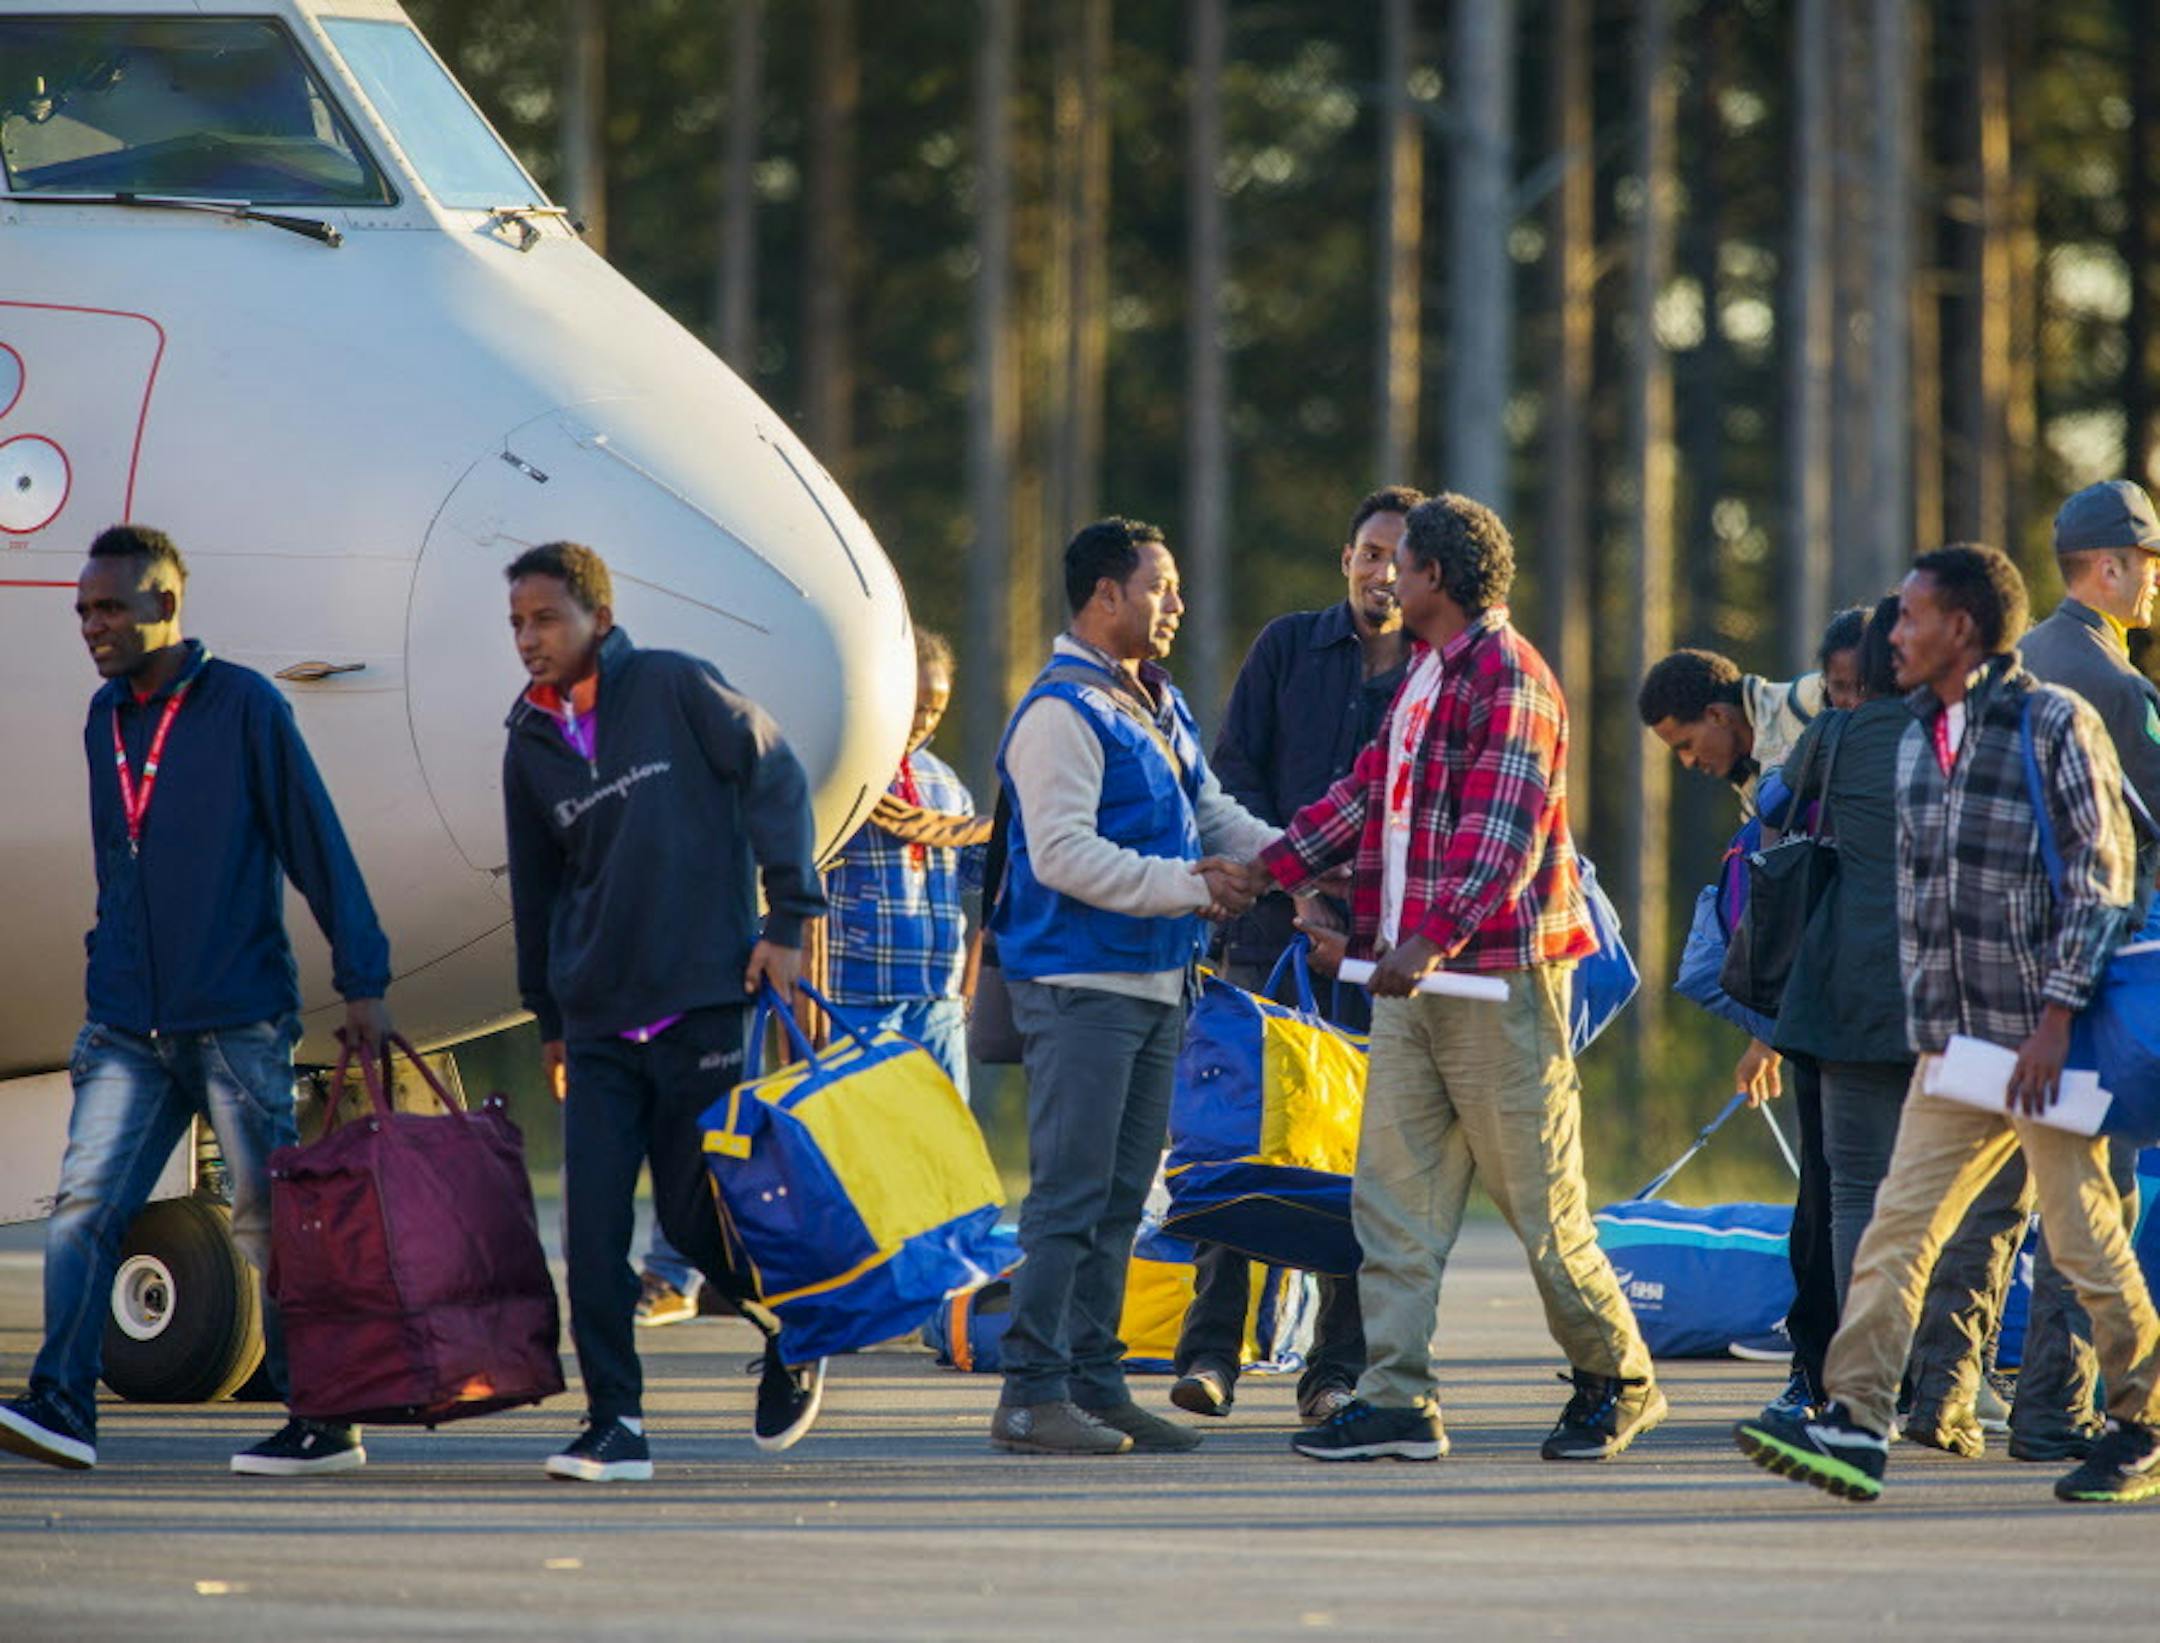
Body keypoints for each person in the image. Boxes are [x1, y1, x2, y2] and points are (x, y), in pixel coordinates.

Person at [1734, 543, 2160, 1507]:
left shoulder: (2055, 723)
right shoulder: (1919, 733)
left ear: (1961, 628)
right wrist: (1931, 1029)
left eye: (1912, 615)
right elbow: (1930, 903)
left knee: (2082, 1236)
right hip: (1956, 1049)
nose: (1894, 632)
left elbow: (2101, 882)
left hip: (2043, 1044)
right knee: (1896, 1225)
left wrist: (2054, 1022)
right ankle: (1855, 1421)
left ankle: (2142, 1421)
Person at [1263, 493, 1662, 1465]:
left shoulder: (1509, 677)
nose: (1384, 577)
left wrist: (1428, 940)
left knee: (1542, 1206)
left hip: (1499, 987)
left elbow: (1502, 841)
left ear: (1434, 575)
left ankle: (1619, 1378)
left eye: (1399, 562)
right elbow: (1363, 794)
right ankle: (1397, 1396)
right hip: (1415, 987)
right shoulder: (1424, 673)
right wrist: (1264, 871)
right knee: (1392, 1200)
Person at [0, 525, 394, 1478]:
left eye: (111, 608)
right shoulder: (105, 718)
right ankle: (62, 1402)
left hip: (235, 1019)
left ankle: (323, 1419)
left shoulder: (246, 706)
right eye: (83, 611)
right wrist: (105, 967)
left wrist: (364, 980)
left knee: (268, 1220)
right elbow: (117, 860)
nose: (92, 625)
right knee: (84, 1208)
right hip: (127, 1026)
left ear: (166, 604)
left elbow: (316, 843)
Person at [501, 542, 830, 1479]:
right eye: (517, 623)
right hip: (598, 1022)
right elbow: (536, 889)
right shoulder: (528, 740)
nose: (529, 638)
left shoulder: (675, 686)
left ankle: (793, 1323)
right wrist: (549, 1017)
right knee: (592, 1232)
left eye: (546, 618)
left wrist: (789, 918)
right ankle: (617, 1421)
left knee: (691, 1219)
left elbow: (775, 772)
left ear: (599, 618)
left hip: (701, 1002)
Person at [987, 517, 1277, 1457]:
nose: (1176, 604)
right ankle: (1030, 1393)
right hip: (1080, 985)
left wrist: (1299, 863)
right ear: (1105, 595)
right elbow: (1063, 854)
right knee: (1069, 1195)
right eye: (1160, 586)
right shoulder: (1061, 713)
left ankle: (1096, 1385)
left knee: (1119, 1199)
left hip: (1154, 984)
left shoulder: (1154, 699)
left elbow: (1212, 813)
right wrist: (1195, 886)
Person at [1167, 484, 1420, 1426]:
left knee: (1358, 1161)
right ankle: (1210, 1354)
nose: (1381, 571)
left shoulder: (1432, 674)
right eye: (1369, 552)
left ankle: (1334, 1370)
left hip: (1374, 955)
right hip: (1266, 941)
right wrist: (1297, 888)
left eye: (1399, 557)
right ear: (1345, 559)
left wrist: (1354, 918)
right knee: (1240, 1140)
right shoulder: (1285, 647)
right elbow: (1234, 775)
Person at [1994, 478, 2160, 1461]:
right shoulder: (2115, 684)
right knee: (2098, 1190)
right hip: (2096, 967)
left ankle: (1967, 1391)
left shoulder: (2020, 659)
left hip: (2007, 961)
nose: (2154, 582)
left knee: (2002, 1192)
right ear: (2109, 566)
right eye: (2148, 563)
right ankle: (2059, 1405)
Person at [1638, 640, 1837, 1417]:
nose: (1689, 762)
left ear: (1722, 714)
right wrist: (1766, 1035)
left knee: (1834, 1188)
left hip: (1849, 969)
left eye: (1687, 743)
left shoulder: (1804, 702)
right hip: (1806, 972)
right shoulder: (1752, 775)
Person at [1765, 598, 1914, 1306]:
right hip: (1947, 988)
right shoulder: (1956, 727)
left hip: (1847, 985)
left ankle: (1862, 1357)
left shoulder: (1833, 732)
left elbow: (1772, 804)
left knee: (1854, 1185)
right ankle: (1940, 1359)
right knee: (1946, 1189)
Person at [821, 626, 983, 1096]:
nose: (924, 722)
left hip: (937, 999)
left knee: (940, 1131)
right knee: (861, 1128)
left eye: (936, 711)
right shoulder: (850, 774)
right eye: (917, 706)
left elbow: (967, 873)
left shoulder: (947, 786)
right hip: (858, 996)